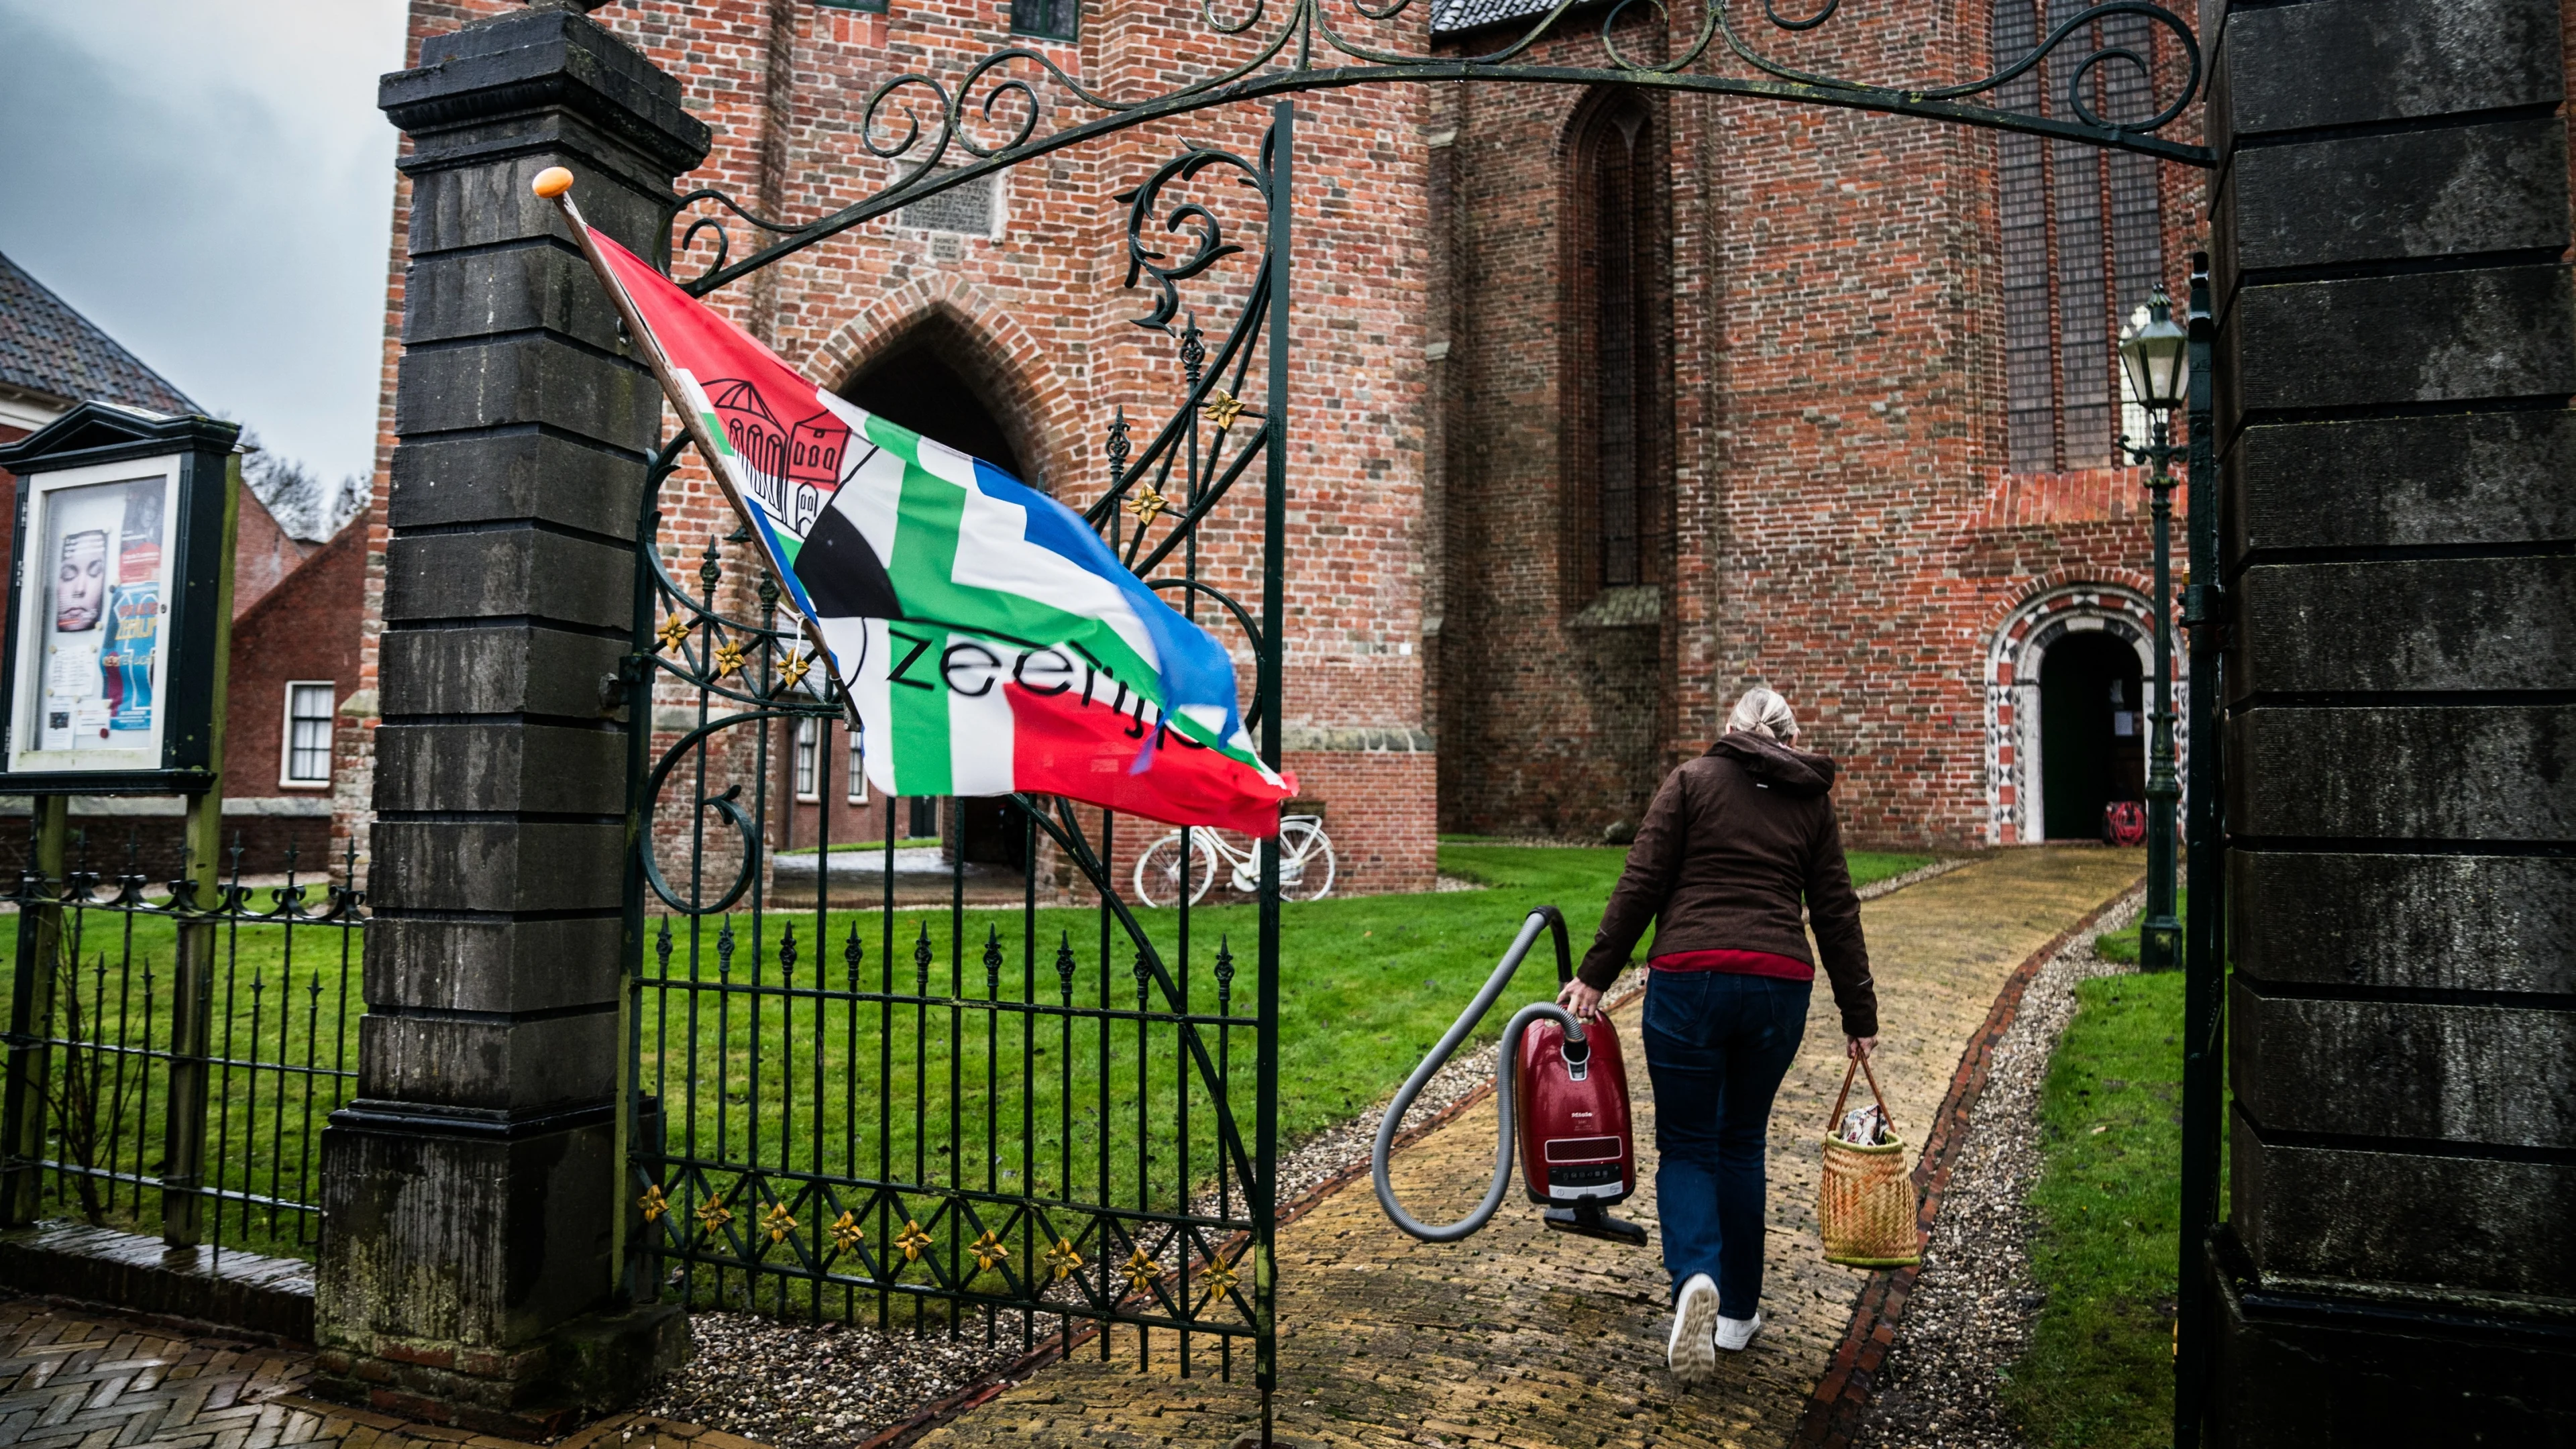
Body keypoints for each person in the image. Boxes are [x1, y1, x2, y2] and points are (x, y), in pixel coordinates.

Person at [1556, 686, 1878, 1385]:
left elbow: (1641, 881)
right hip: (1777, 985)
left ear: (1731, 731)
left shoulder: (1692, 781)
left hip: (1689, 978)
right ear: (1789, 739)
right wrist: (1860, 1018)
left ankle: (1694, 1278)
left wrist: (1594, 976)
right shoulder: (1811, 802)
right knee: (1742, 1142)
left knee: (1689, 1144)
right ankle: (1736, 1316)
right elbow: (1835, 912)